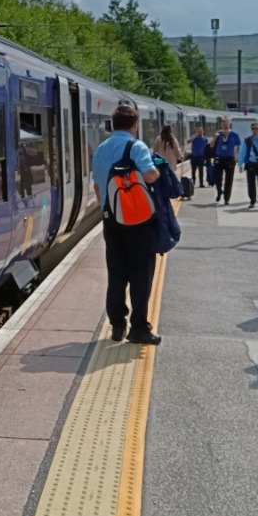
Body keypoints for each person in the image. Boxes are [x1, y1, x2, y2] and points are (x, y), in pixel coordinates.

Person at [91, 103, 162, 345]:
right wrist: (158, 171)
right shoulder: (136, 146)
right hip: (138, 220)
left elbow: (97, 186)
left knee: (117, 272)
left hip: (111, 219)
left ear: (113, 123)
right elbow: (151, 175)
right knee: (141, 272)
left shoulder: (101, 148)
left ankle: (117, 325)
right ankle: (139, 328)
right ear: (135, 125)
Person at [211, 118, 240, 205]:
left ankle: (226, 198)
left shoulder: (234, 134)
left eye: (226, 123)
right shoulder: (218, 134)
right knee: (218, 178)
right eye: (223, 124)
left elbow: (238, 146)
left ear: (229, 124)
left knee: (229, 179)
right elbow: (211, 145)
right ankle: (219, 191)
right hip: (219, 159)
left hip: (230, 158)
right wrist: (215, 138)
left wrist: (237, 156)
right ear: (221, 125)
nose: (225, 125)